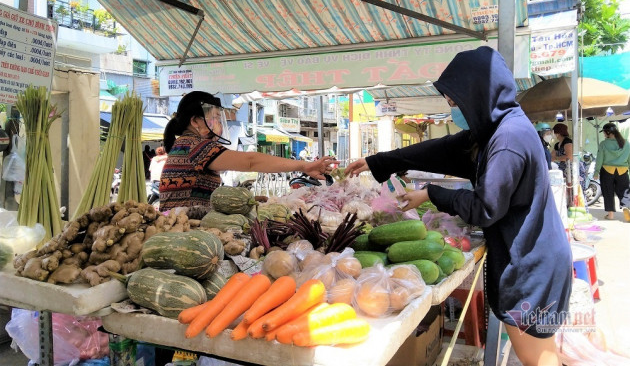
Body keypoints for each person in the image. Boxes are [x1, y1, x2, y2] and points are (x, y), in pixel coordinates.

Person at [345, 47, 571, 366]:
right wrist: (378, 161)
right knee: (539, 352)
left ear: (479, 93)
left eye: (455, 102)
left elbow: (484, 207)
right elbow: (441, 149)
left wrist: (431, 193)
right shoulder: (495, 129)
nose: (453, 108)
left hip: (532, 266)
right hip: (531, 259)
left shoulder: (508, 140)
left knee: (536, 358)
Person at [160, 91, 334, 216]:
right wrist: (305, 165)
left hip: (182, 224)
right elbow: (251, 161)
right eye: (214, 117)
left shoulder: (186, 145)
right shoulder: (195, 146)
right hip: (182, 230)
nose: (219, 123)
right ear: (196, 121)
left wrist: (244, 201)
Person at [593, 122, 630, 220]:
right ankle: (626, 207)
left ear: (608, 132)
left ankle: (611, 215)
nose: (604, 134)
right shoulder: (626, 143)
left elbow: (599, 159)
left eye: (604, 132)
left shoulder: (604, 144)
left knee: (608, 192)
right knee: (625, 191)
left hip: (607, 171)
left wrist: (596, 172)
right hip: (622, 171)